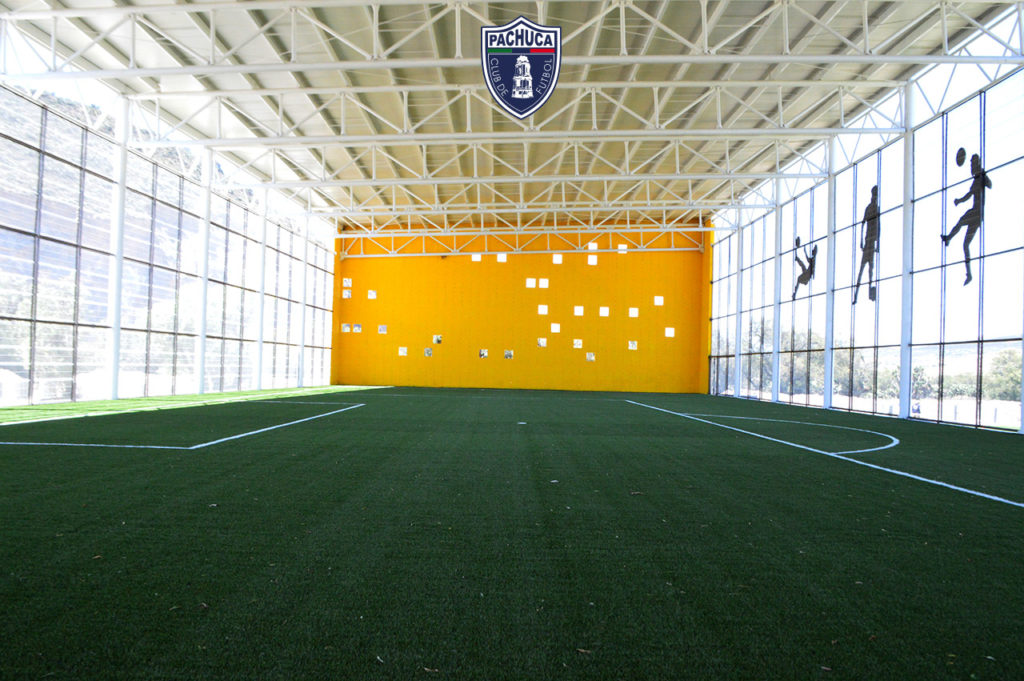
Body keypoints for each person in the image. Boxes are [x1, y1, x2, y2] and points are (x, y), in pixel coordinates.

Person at [942, 153, 991, 285]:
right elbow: (969, 195)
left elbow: (989, 184)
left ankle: (948, 238)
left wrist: (984, 174)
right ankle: (969, 274)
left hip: (977, 212)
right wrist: (959, 200)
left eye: (972, 164)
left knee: (960, 222)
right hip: (976, 214)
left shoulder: (980, 177)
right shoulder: (976, 180)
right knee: (965, 244)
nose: (971, 166)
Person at [853, 185, 880, 304]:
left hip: (871, 243)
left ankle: (868, 294)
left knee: (870, 271)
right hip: (869, 242)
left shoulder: (874, 208)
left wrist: (877, 243)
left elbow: (878, 226)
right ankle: (856, 296)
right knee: (863, 270)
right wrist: (862, 241)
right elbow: (863, 223)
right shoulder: (870, 208)